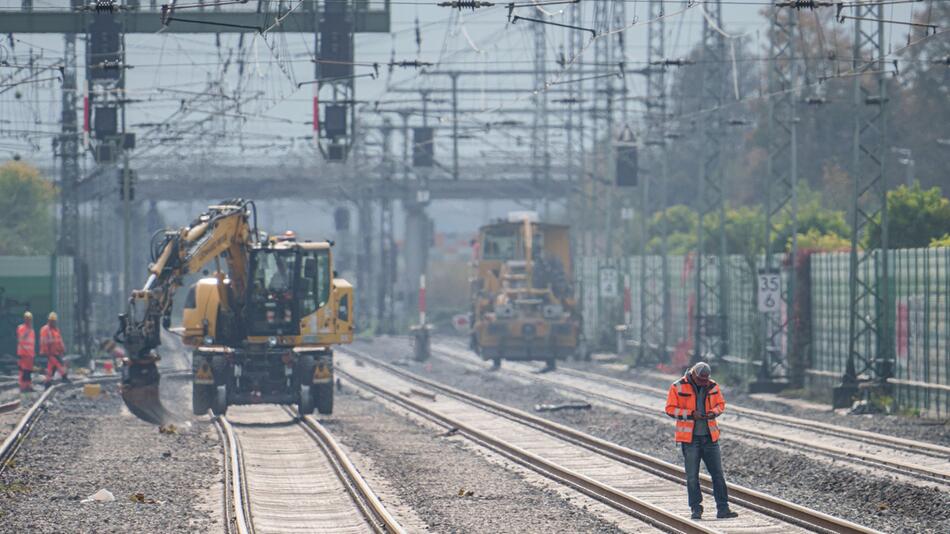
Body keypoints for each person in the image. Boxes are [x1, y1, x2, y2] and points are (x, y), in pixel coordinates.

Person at [664, 362, 738, 520]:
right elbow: (670, 409)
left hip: (710, 438)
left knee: (718, 474)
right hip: (690, 440)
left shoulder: (713, 386)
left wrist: (713, 413)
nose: (703, 383)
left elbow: (720, 404)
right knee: (692, 476)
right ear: (693, 374)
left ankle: (723, 509)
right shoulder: (677, 386)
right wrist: (691, 414)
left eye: (706, 380)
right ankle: (696, 509)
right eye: (701, 380)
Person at [40, 311, 68, 387]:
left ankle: (47, 382)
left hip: (56, 352)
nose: (54, 322)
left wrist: (63, 349)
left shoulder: (56, 330)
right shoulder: (45, 329)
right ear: (49, 321)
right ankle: (64, 377)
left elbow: (59, 341)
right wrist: (46, 352)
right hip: (50, 353)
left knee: (51, 368)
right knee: (60, 364)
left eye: (54, 321)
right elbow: (44, 342)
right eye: (52, 321)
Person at [16, 311, 36, 392]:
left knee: (29, 370)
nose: (29, 321)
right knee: (23, 370)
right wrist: (28, 330)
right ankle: (23, 387)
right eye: (27, 319)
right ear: (25, 319)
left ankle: (28, 386)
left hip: (30, 354)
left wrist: (33, 353)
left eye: (30, 319)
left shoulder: (32, 330)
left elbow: (32, 343)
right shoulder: (21, 328)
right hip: (23, 353)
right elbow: (21, 339)